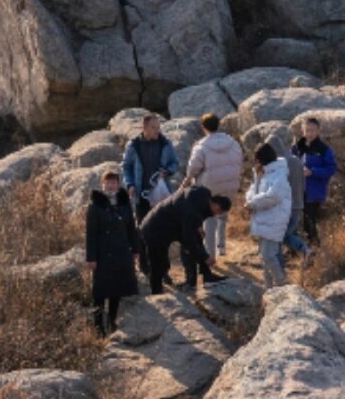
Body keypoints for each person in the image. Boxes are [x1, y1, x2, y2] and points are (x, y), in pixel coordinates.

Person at [85, 163, 143, 333]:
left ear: (118, 184)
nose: (111, 186)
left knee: (117, 289)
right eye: (108, 183)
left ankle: (112, 321)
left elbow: (132, 228)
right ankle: (98, 326)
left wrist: (135, 249)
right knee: (100, 291)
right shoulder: (95, 206)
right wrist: (91, 258)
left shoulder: (125, 204)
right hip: (103, 254)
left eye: (114, 182)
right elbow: (91, 233)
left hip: (122, 252)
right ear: (103, 185)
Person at [191, 111, 244, 269]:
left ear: (203, 127)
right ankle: (222, 246)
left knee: (210, 220)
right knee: (223, 214)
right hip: (229, 185)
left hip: (210, 187)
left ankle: (211, 255)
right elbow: (240, 162)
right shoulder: (233, 143)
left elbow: (193, 168)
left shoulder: (201, 145)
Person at [246, 139, 293, 287]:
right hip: (263, 217)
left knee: (268, 255)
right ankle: (269, 287)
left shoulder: (279, 174)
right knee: (264, 256)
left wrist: (252, 203)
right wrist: (249, 201)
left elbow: (274, 196)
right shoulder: (263, 172)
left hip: (275, 218)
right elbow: (253, 189)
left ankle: (281, 282)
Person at [122, 114, 183, 218]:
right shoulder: (133, 145)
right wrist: (130, 185)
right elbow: (126, 167)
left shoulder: (165, 143)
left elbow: (175, 162)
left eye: (158, 127)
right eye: (153, 127)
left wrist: (167, 171)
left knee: (163, 227)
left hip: (161, 193)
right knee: (143, 228)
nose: (157, 130)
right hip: (141, 195)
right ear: (144, 128)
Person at [296, 118, 338, 244]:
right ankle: (297, 249)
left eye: (312, 130)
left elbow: (331, 169)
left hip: (314, 191)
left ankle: (314, 250)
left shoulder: (324, 149)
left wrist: (313, 172)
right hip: (298, 190)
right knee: (296, 222)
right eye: (307, 130)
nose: (309, 133)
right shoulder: (297, 148)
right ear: (302, 131)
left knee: (310, 223)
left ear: (318, 131)